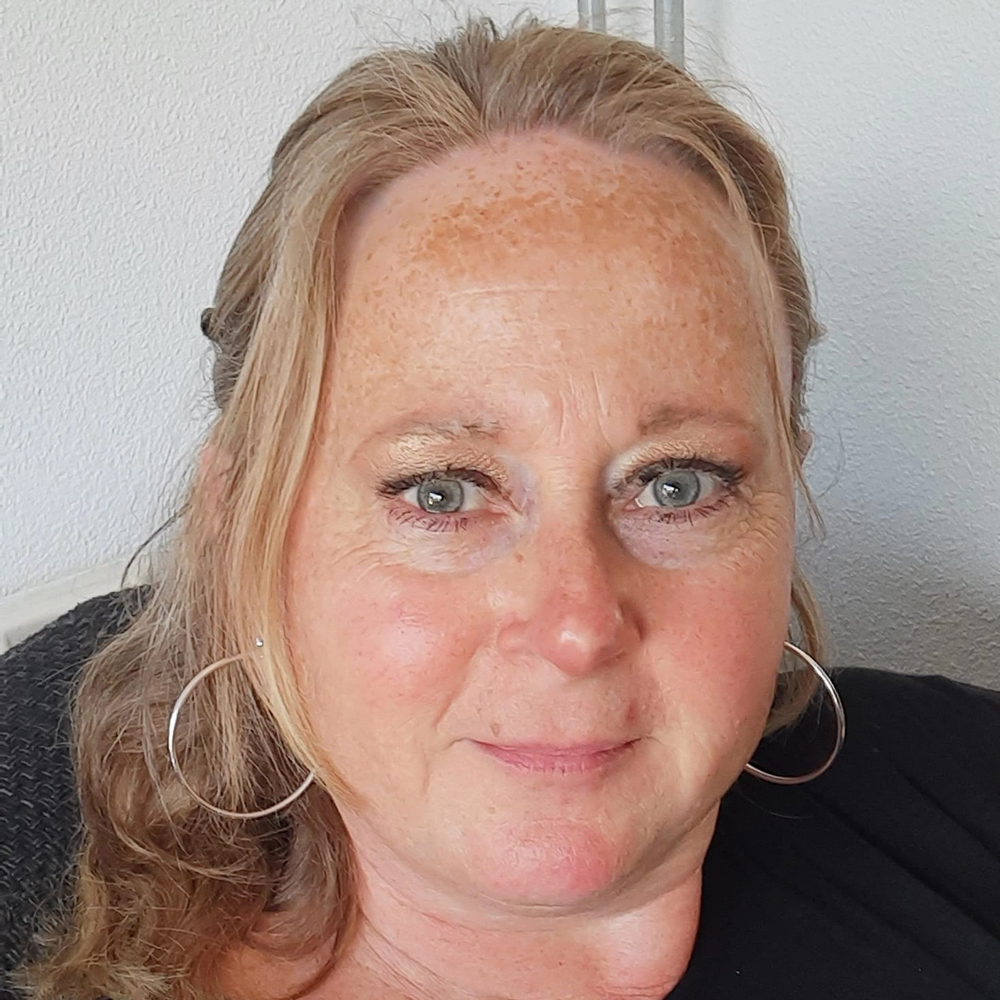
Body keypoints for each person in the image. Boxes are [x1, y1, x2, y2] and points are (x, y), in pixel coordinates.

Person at [7, 13, 999, 1000]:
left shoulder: (960, 785)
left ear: (787, 494)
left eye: (677, 484)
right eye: (440, 491)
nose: (576, 627)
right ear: (237, 525)